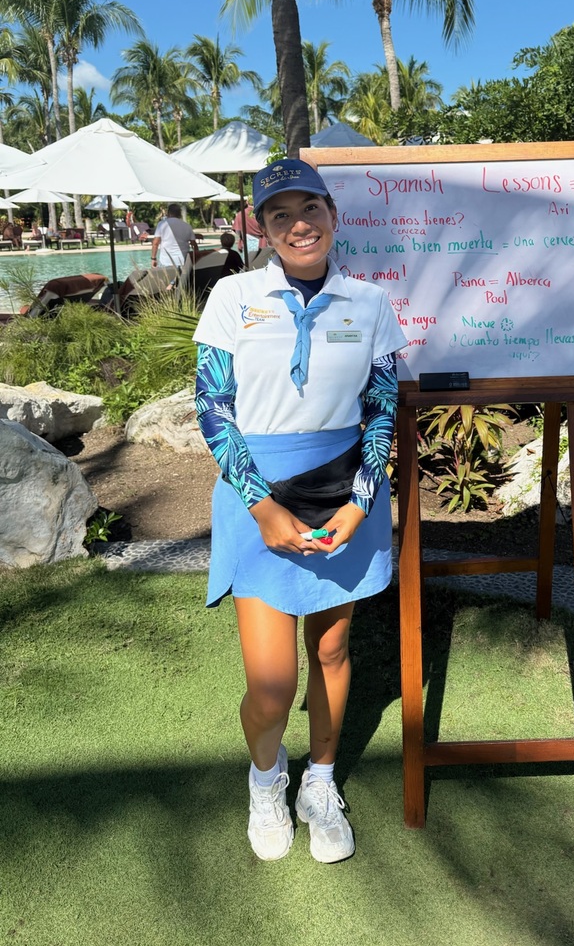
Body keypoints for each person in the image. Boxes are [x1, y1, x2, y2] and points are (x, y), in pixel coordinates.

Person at [192, 159, 406, 864]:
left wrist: (361, 502)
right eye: (279, 215)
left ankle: (318, 783)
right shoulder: (232, 295)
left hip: (346, 494)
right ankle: (265, 779)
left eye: (308, 209)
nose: (298, 225)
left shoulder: (369, 303)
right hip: (259, 498)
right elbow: (214, 408)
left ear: (333, 215)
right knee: (272, 681)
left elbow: (381, 409)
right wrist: (259, 506)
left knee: (334, 648)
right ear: (261, 227)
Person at [151, 203, 198, 268]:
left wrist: (153, 258)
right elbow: (194, 245)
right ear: (180, 214)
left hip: (166, 261)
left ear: (168, 213)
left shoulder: (162, 224)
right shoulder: (187, 226)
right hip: (183, 261)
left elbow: (155, 243)